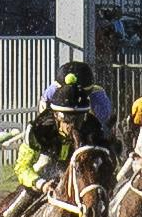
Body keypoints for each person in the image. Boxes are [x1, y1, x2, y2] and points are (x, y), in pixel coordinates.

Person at [13, 56, 118, 198]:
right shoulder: (42, 125)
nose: (73, 125)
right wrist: (40, 183)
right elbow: (22, 167)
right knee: (40, 168)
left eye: (78, 119)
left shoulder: (96, 110)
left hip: (81, 171)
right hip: (50, 163)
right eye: (68, 120)